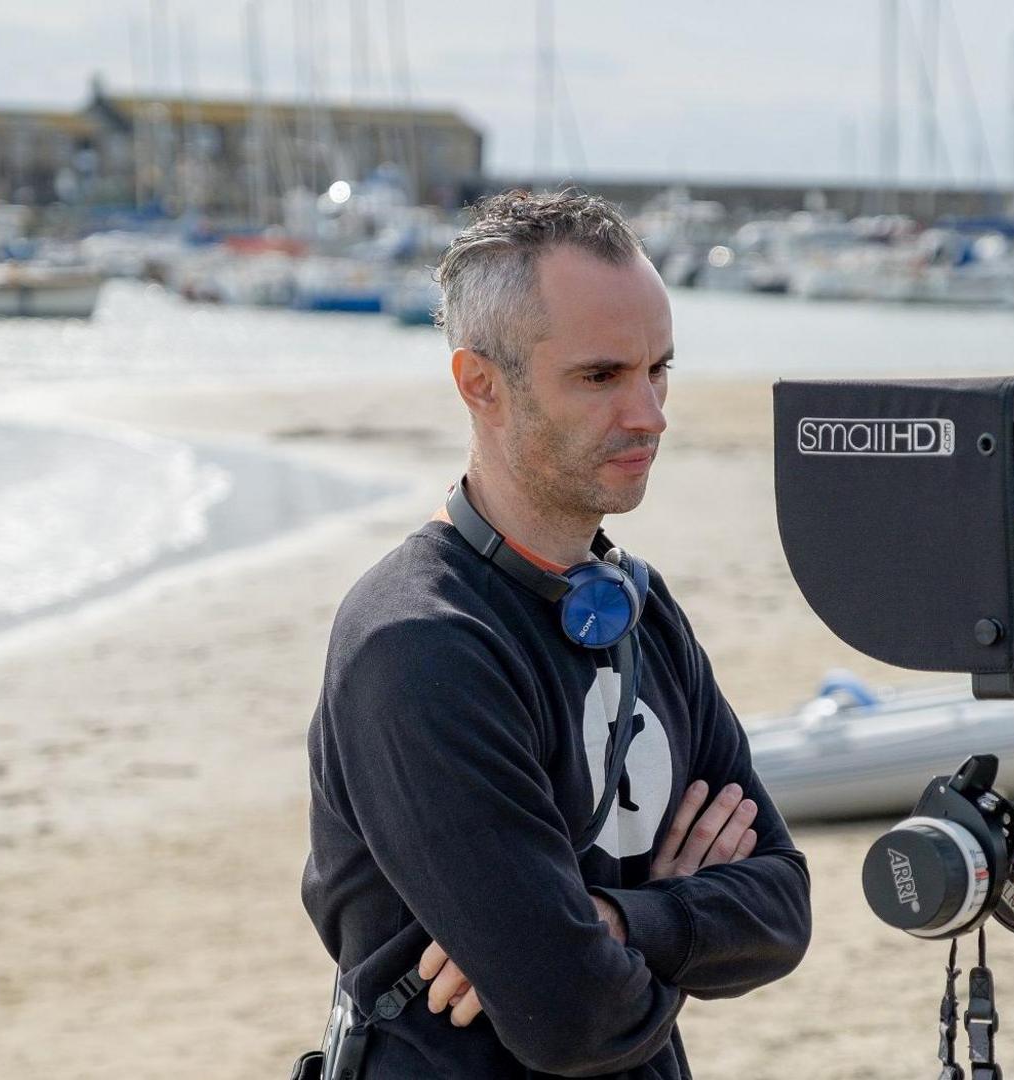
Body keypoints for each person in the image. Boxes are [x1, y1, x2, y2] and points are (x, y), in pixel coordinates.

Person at [300, 189, 812, 1078]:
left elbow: (781, 909)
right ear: (481, 384)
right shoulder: (419, 645)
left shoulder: (639, 609)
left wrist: (617, 921)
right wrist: (675, 910)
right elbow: (573, 1015)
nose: (650, 413)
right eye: (601, 376)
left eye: (660, 370)